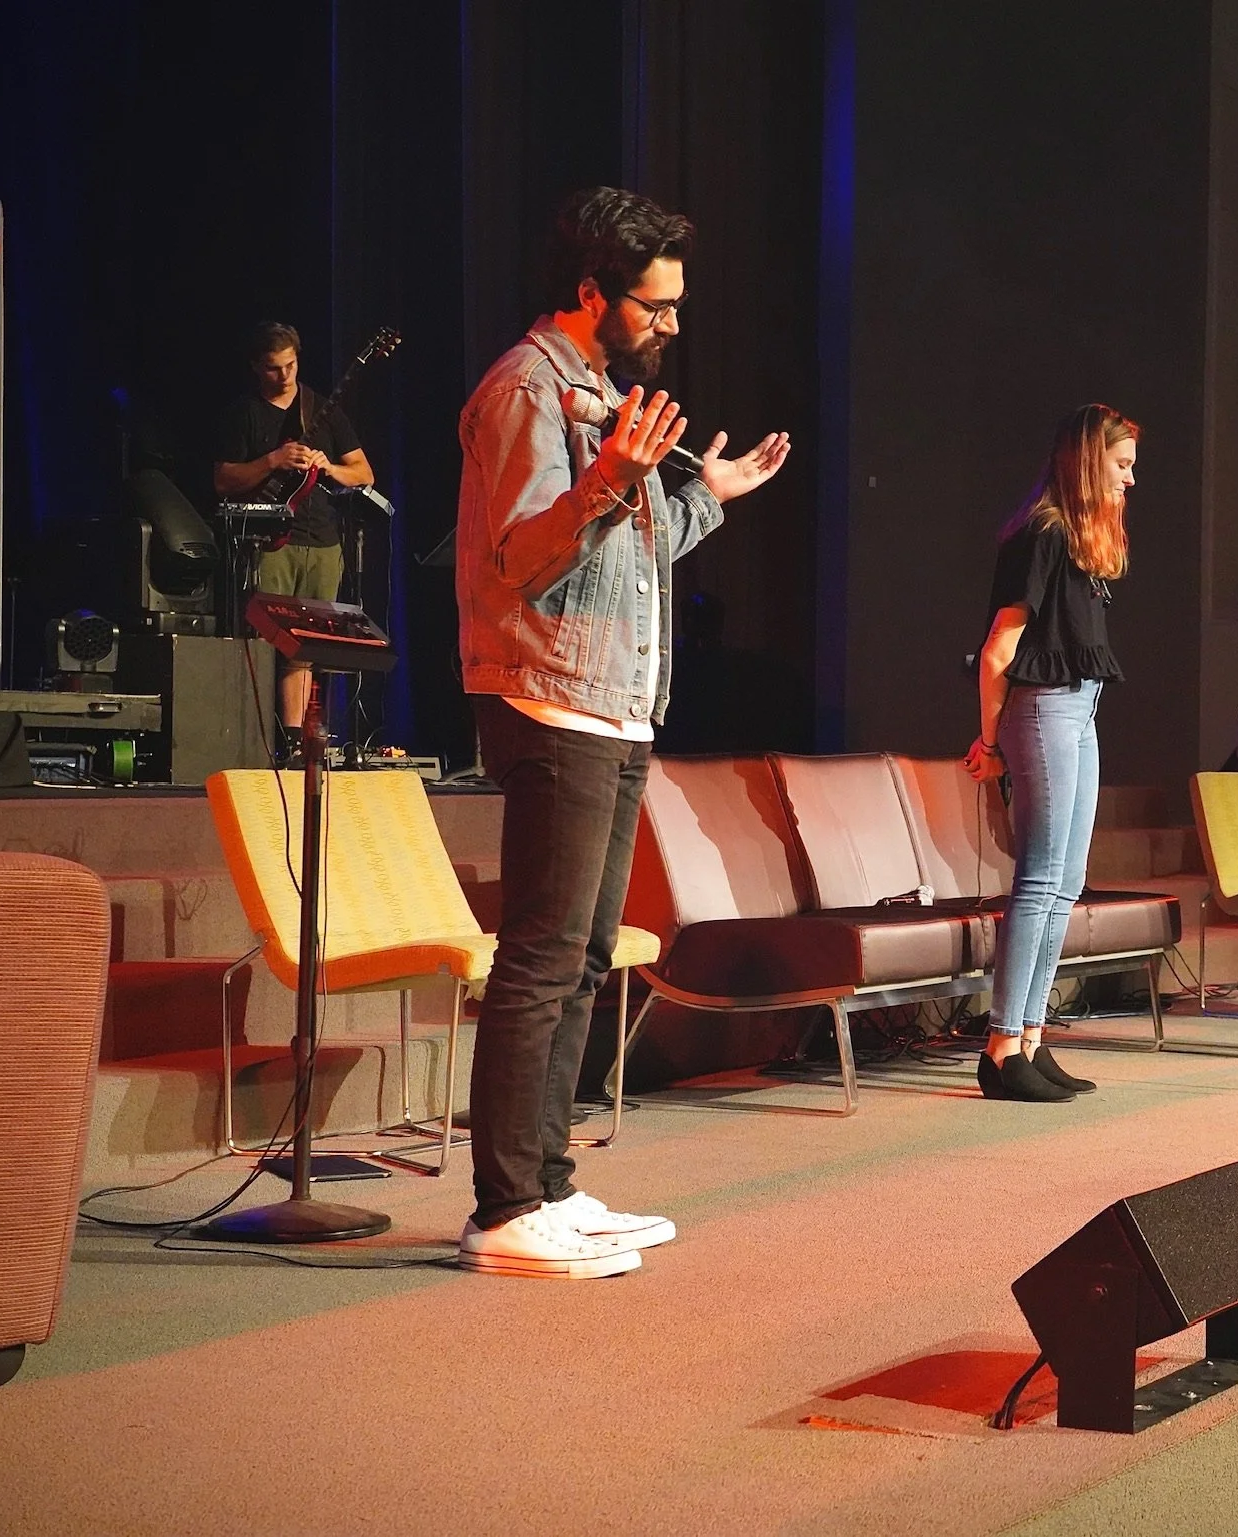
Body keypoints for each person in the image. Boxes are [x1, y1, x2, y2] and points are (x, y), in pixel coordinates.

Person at [455, 186, 790, 1277]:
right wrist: (608, 481)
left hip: (613, 700)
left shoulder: (603, 391)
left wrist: (710, 497)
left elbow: (621, 558)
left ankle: (548, 1182)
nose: (673, 326)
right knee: (543, 959)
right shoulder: (523, 392)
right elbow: (521, 555)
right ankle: (504, 1208)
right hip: (551, 699)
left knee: (589, 956)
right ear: (592, 292)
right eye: (656, 305)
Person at [964, 405, 1137, 1103]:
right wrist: (988, 741)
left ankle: (1032, 1034)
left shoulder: (1082, 540)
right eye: (1121, 464)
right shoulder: (1041, 533)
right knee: (1040, 876)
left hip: (1080, 704)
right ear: (1088, 461)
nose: (1130, 478)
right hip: (1041, 707)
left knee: (1067, 877)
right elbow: (998, 649)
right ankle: (1001, 1044)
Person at [213, 321, 374, 732]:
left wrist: (329, 466)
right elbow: (223, 480)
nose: (284, 376)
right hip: (269, 544)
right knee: (265, 646)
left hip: (322, 541)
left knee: (306, 650)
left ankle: (297, 745)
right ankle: (254, 739)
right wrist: (272, 460)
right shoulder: (244, 414)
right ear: (255, 367)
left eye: (290, 365)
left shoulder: (321, 409)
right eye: (273, 368)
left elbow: (364, 473)